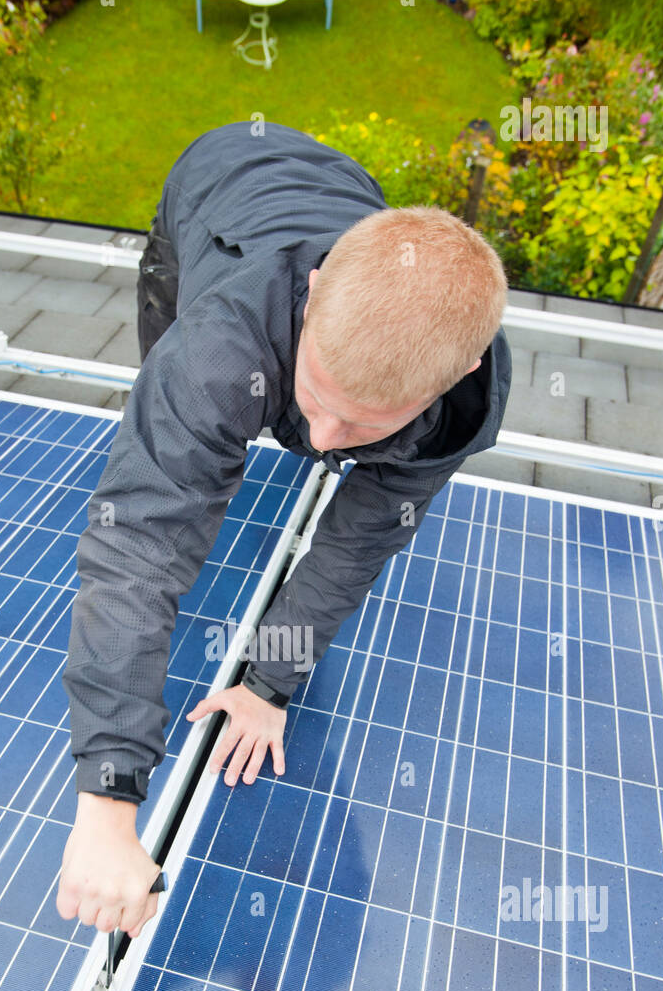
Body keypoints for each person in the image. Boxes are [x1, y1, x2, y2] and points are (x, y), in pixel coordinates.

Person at [56, 120, 512, 941]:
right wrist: (108, 796)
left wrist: (269, 683)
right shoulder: (220, 345)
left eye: (365, 422)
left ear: (459, 376)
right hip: (212, 188)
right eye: (317, 394)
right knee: (175, 431)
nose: (326, 441)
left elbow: (353, 544)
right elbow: (138, 548)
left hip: (337, 187)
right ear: (316, 294)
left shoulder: (461, 401)